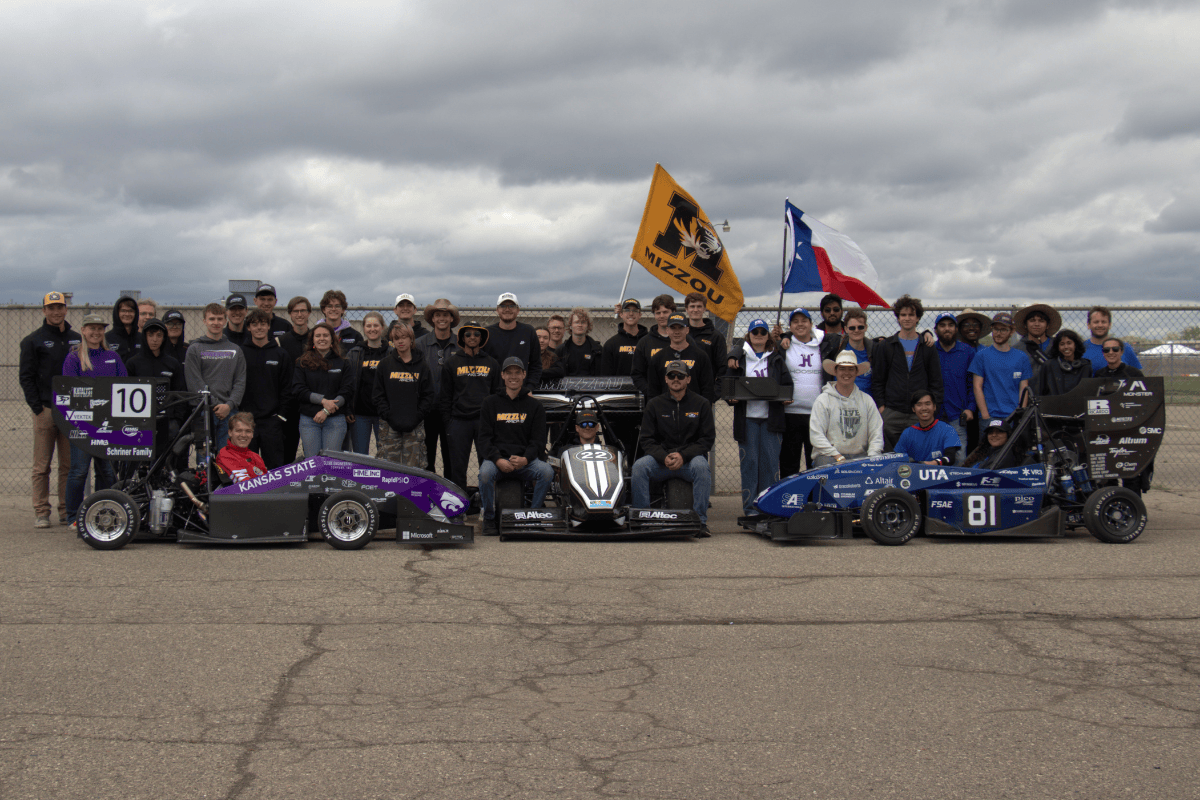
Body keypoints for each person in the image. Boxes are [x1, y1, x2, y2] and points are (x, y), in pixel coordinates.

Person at [19, 291, 82, 528]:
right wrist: (36, 407)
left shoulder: (78, 339)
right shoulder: (33, 341)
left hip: (71, 411)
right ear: (44, 311)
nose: (56, 312)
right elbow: (26, 377)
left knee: (68, 465)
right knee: (42, 465)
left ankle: (66, 510)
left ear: (66, 310)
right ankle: (41, 511)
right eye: (51, 308)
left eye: (60, 307)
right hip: (45, 409)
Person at [63, 313, 128, 528]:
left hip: (108, 425)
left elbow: (123, 387)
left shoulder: (112, 357)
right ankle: (73, 516)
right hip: (82, 424)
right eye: (91, 328)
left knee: (107, 470)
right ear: (83, 331)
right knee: (79, 470)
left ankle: (104, 511)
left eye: (100, 328)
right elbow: (68, 390)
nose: (96, 332)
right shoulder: (74, 357)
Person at [631, 361, 714, 529]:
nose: (676, 379)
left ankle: (699, 522)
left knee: (702, 467)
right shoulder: (654, 404)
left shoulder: (702, 404)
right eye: (672, 376)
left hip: (689, 461)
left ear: (688, 379)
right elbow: (646, 439)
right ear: (666, 379)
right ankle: (643, 519)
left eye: (680, 376)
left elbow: (707, 439)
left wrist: (684, 456)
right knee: (639, 467)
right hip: (661, 462)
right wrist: (663, 456)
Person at [476, 357, 554, 535]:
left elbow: (539, 441)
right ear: (502, 375)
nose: (513, 376)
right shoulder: (490, 403)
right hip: (497, 461)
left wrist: (526, 459)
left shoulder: (535, 406)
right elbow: (484, 439)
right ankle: (489, 519)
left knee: (546, 471)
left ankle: (533, 516)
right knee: (485, 474)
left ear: (524, 374)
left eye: (517, 372)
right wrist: (497, 459)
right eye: (509, 372)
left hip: (525, 461)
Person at [725, 319, 792, 515]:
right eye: (755, 332)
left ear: (768, 336)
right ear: (749, 335)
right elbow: (728, 383)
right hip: (747, 420)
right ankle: (750, 509)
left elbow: (787, 383)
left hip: (771, 420)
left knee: (770, 464)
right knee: (750, 464)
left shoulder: (777, 358)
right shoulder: (740, 358)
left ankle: (768, 506)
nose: (759, 335)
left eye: (763, 332)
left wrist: (785, 397)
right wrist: (732, 398)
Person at [871, 294, 943, 450]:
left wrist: (932, 408)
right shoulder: (887, 346)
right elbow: (878, 380)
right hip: (892, 412)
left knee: (919, 456)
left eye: (912, 314)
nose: (907, 318)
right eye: (903, 315)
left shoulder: (927, 346)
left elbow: (936, 380)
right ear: (898, 318)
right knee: (891, 457)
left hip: (919, 412)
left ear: (918, 318)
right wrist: (883, 408)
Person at [440, 321, 501, 493]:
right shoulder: (451, 363)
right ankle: (460, 505)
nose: (472, 337)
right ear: (462, 337)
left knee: (487, 466)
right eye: (468, 334)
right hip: (459, 421)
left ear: (481, 338)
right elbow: (445, 397)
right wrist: (449, 423)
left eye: (476, 334)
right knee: (457, 468)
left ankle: (485, 505)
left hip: (484, 422)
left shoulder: (492, 363)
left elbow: (497, 394)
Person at [184, 302, 247, 452]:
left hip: (229, 412)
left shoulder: (235, 350)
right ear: (204, 321)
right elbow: (194, 382)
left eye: (220, 319)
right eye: (212, 319)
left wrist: (229, 405)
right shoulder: (194, 349)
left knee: (228, 458)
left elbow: (240, 381)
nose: (216, 323)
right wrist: (214, 404)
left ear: (225, 321)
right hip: (204, 411)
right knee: (205, 462)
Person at [777, 308, 832, 475]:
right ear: (790, 326)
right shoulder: (783, 347)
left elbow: (839, 335)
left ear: (811, 324)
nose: (800, 324)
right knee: (788, 462)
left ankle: (813, 499)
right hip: (790, 413)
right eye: (795, 321)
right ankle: (789, 498)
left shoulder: (824, 344)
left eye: (804, 321)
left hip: (817, 415)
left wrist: (785, 334)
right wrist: (784, 336)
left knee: (815, 462)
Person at [125, 318, 187, 464]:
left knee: (164, 463)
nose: (155, 340)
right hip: (140, 423)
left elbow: (180, 393)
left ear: (164, 337)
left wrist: (176, 420)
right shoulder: (133, 363)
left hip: (167, 422)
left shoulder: (172, 363)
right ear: (144, 336)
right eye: (151, 335)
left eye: (159, 335)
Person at [374, 321, 435, 468]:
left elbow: (428, 395)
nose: (400, 341)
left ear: (411, 339)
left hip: (414, 426)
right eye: (396, 338)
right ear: (392, 341)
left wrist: (417, 416)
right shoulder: (384, 364)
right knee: (388, 468)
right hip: (389, 426)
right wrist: (388, 415)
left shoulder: (422, 365)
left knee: (415, 468)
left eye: (404, 337)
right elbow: (378, 395)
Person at [238, 309, 294, 469]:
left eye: (263, 324)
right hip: (246, 421)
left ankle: (274, 495)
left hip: (272, 422)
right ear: (248, 327)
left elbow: (287, 388)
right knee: (247, 468)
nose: (259, 328)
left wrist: (281, 416)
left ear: (269, 326)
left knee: (275, 467)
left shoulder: (280, 354)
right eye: (254, 324)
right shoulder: (240, 353)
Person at [810, 350, 884, 467]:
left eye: (851, 369)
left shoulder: (867, 400)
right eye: (842, 369)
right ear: (835, 371)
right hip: (830, 457)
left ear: (856, 372)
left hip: (861, 456)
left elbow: (876, 433)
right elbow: (816, 435)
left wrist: (872, 457)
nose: (846, 373)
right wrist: (837, 456)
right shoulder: (823, 400)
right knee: (824, 466)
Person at [292, 322, 353, 458]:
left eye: (325, 335)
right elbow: (298, 389)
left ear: (332, 339)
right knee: (312, 463)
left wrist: (326, 410)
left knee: (330, 463)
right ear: (312, 340)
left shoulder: (343, 362)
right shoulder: (302, 362)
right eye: (318, 336)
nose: (322, 338)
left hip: (335, 421)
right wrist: (323, 401)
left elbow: (347, 391)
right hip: (309, 421)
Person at [415, 298, 461, 476]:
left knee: (451, 458)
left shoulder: (461, 343)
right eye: (438, 315)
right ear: (432, 319)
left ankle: (451, 497)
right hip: (427, 411)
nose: (442, 318)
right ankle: (428, 496)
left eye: (446, 315)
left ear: (451, 319)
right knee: (427, 458)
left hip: (453, 411)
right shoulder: (420, 344)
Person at [968, 312, 1031, 424]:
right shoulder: (981, 356)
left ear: (1011, 331)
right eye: (996, 329)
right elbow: (977, 387)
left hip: (1014, 416)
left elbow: (1024, 388)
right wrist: (985, 415)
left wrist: (1021, 413)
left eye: (1003, 329)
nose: (998, 333)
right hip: (991, 416)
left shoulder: (1022, 358)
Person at [646, 314, 715, 402]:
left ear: (687, 330)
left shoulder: (701, 356)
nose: (677, 332)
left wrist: (703, 410)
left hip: (693, 409)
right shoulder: (658, 358)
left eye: (680, 328)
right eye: (673, 328)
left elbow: (707, 389)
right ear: (667, 330)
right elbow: (653, 390)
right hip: (666, 409)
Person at [346, 311, 388, 455]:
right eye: (368, 325)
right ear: (364, 328)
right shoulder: (355, 353)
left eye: (376, 325)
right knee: (360, 456)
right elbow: (347, 383)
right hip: (359, 414)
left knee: (385, 456)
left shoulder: (391, 353)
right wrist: (348, 408)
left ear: (382, 327)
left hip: (383, 415)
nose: (372, 329)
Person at [932, 312, 976, 449]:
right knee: (934, 458)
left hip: (957, 414)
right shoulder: (929, 350)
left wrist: (970, 408)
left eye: (951, 325)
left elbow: (973, 384)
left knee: (959, 459)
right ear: (936, 329)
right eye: (943, 325)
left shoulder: (968, 352)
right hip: (933, 415)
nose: (947, 328)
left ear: (956, 329)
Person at [277, 296, 312, 463]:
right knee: (286, 453)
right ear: (290, 314)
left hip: (311, 406)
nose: (299, 314)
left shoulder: (317, 339)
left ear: (309, 313)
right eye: (295, 311)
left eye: (303, 311)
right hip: (289, 407)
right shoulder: (281, 342)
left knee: (312, 455)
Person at [483, 293, 542, 393]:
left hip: (521, 393)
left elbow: (536, 364)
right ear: (497, 310)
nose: (507, 309)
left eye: (511, 306)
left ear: (518, 310)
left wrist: (529, 388)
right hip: (493, 393)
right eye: (503, 306)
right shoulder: (487, 333)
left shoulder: (528, 332)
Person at [894, 390, 962, 466]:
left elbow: (950, 458)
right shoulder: (907, 433)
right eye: (919, 405)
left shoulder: (948, 430)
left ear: (934, 407)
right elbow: (897, 459)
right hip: (915, 475)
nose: (924, 408)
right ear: (913, 409)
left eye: (928, 404)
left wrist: (933, 463)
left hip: (942, 475)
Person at [683, 291, 727, 397]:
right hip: (680, 391)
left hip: (705, 393)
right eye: (692, 306)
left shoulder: (715, 336)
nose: (695, 310)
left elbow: (723, 368)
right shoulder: (680, 333)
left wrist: (715, 394)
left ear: (704, 309)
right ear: (686, 309)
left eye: (699, 306)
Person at [214, 413, 269, 484]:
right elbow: (245, 485)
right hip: (242, 494)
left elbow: (270, 481)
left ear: (252, 434)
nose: (243, 435)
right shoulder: (225, 454)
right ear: (230, 432)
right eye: (239, 431)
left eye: (248, 431)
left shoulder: (256, 457)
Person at [1084, 306, 1143, 371]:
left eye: (1103, 322)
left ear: (1109, 325)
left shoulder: (1124, 347)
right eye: (1096, 322)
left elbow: (1138, 376)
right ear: (1088, 325)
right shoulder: (1081, 349)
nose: (1100, 325)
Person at [1036, 329, 1092, 396]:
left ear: (1075, 345)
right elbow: (1041, 391)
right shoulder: (1048, 365)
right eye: (1062, 344)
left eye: (1069, 343)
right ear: (1058, 347)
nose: (1066, 347)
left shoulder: (1085, 366)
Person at [601, 298, 647, 376]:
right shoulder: (611, 344)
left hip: (644, 388)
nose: (631, 313)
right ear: (621, 314)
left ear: (640, 315)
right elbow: (605, 375)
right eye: (627, 310)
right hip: (620, 388)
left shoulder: (648, 341)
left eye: (635, 310)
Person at [554, 307, 603, 376]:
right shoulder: (561, 350)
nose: (580, 325)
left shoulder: (597, 350)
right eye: (576, 322)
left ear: (587, 326)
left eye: (583, 322)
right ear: (570, 326)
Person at [1014, 303, 1061, 371]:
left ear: (1047, 325)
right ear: (1025, 325)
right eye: (1032, 320)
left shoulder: (1058, 346)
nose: (1036, 324)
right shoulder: (1017, 350)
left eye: (1041, 321)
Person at [840, 308, 874, 398]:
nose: (856, 330)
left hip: (867, 402)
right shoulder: (838, 350)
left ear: (866, 327)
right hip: (842, 401)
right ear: (846, 329)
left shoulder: (874, 351)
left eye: (860, 327)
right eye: (852, 328)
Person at [106, 295, 141, 362]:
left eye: (131, 311)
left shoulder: (142, 338)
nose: (127, 314)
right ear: (117, 313)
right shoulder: (107, 338)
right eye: (123, 310)